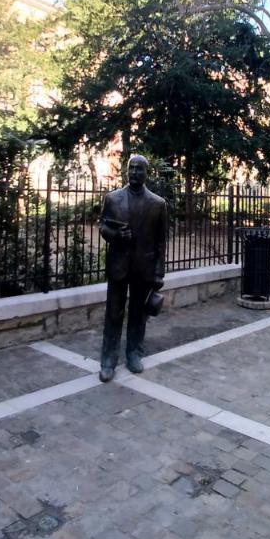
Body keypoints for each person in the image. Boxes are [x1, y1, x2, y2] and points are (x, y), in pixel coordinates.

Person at [98, 154, 169, 381]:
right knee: (113, 313)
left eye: (140, 169)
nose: (135, 172)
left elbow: (160, 242)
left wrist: (159, 271)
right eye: (132, 168)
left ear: (147, 173)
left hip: (144, 268)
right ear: (127, 171)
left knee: (138, 314)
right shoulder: (113, 199)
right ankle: (108, 360)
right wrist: (116, 234)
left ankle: (133, 354)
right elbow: (103, 227)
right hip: (119, 265)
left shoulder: (158, 204)